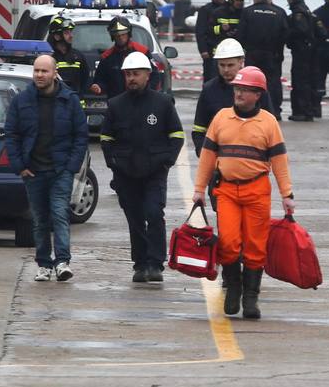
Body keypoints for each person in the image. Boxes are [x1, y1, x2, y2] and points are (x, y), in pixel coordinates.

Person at [190, 66, 294, 320]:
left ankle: (250, 297)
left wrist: (287, 194)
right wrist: (199, 190)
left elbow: (279, 161)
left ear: (258, 94)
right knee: (228, 243)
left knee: (256, 247)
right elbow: (207, 157)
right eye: (237, 89)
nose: (238, 94)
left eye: (244, 90)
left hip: (257, 190)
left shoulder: (268, 123)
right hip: (226, 190)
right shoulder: (221, 118)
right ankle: (233, 288)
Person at [100, 51, 185, 284]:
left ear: (148, 75)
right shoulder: (116, 105)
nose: (131, 79)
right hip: (126, 174)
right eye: (128, 75)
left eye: (136, 74)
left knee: (154, 214)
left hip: (155, 172)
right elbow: (106, 138)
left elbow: (177, 135)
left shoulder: (163, 103)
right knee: (135, 218)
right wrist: (114, 165)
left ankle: (156, 263)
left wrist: (167, 161)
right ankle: (140, 264)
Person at [4, 54, 88, 282]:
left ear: (54, 73)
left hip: (60, 170)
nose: (40, 75)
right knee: (40, 219)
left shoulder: (69, 100)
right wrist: (20, 166)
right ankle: (44, 264)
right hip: (33, 172)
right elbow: (11, 134)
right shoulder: (22, 101)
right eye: (37, 71)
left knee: (59, 213)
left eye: (44, 71)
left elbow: (81, 136)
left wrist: (71, 166)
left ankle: (62, 262)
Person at [191, 37, 275, 151]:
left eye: (230, 65)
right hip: (218, 158)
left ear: (241, 62)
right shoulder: (209, 89)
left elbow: (271, 126)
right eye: (222, 65)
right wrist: (203, 154)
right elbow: (199, 128)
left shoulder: (256, 87)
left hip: (251, 157)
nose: (225, 70)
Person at [238, 0, 287, 120]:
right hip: (273, 54)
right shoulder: (279, 12)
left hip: (253, 54)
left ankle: (254, 109)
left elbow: (240, 35)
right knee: (274, 83)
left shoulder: (247, 12)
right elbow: (286, 35)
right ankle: (275, 111)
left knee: (253, 83)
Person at [284, 0, 322, 121]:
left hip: (301, 51)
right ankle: (310, 109)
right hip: (309, 50)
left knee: (300, 81)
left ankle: (302, 111)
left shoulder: (298, 12)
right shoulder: (306, 9)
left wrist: (287, 34)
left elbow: (301, 30)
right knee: (309, 80)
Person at [92, 15, 152, 97]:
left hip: (141, 99)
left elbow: (154, 75)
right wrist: (98, 87)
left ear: (128, 33)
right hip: (117, 102)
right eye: (117, 35)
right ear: (113, 36)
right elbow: (100, 79)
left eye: (123, 34)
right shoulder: (106, 57)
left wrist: (149, 94)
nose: (120, 38)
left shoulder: (142, 52)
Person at [194, 0, 228, 83]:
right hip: (210, 48)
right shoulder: (205, 10)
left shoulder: (229, 9)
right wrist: (203, 50)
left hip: (225, 47)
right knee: (210, 77)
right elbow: (200, 31)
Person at [46, 15, 89, 93]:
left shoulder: (78, 57)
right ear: (57, 37)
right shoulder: (48, 58)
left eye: (71, 32)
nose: (71, 36)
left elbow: (85, 80)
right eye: (66, 33)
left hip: (76, 102)